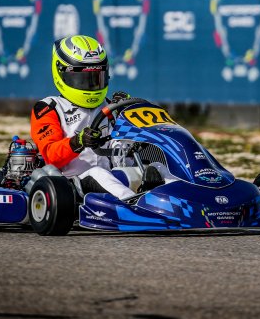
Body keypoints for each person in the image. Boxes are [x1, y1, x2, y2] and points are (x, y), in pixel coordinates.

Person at [29, 35, 163, 201]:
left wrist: (127, 114)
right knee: (98, 173)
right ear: (62, 73)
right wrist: (78, 141)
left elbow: (123, 153)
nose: (91, 85)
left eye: (96, 77)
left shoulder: (111, 106)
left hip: (113, 177)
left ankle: (179, 200)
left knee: (158, 168)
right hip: (71, 185)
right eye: (83, 78)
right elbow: (50, 155)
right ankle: (135, 205)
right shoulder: (49, 108)